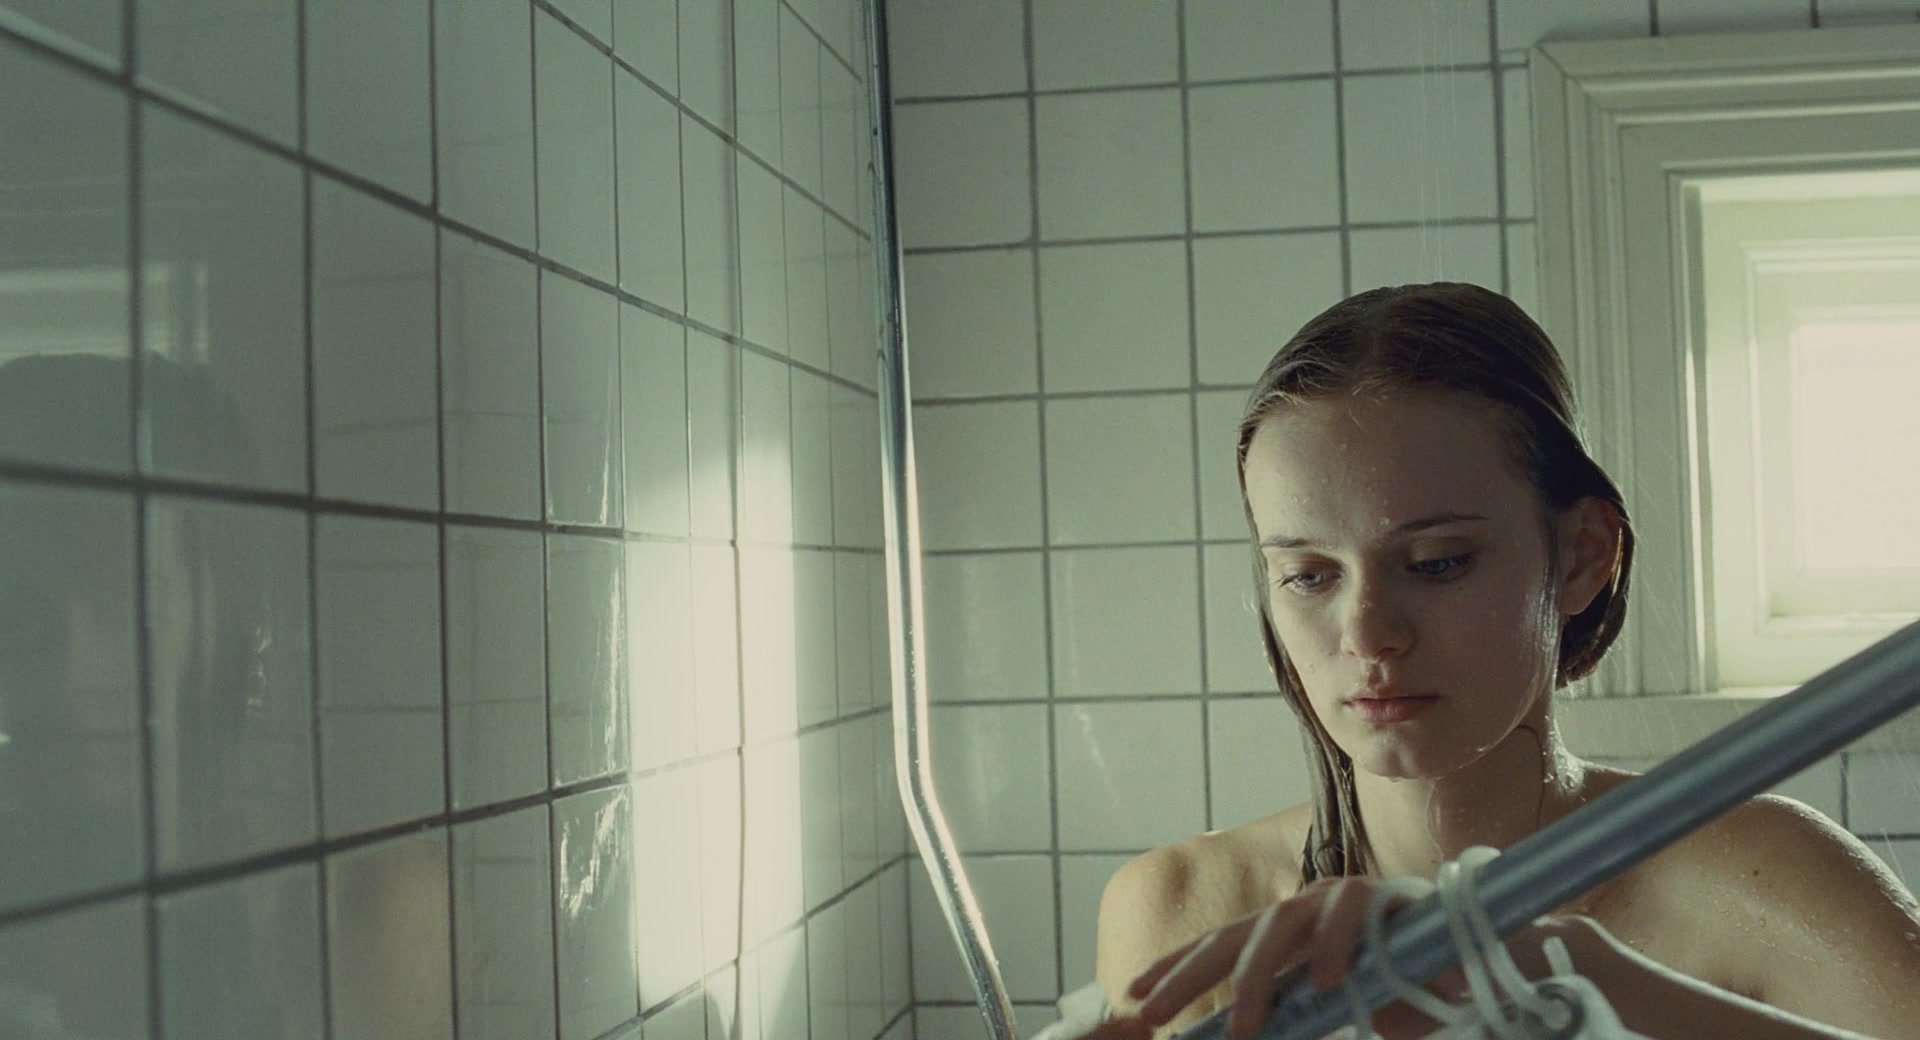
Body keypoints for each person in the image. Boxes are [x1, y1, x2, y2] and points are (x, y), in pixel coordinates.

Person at [1084, 283, 1920, 1040]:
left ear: (1583, 554)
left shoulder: (1767, 887)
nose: (1368, 634)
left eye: (1437, 562)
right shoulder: (1183, 911)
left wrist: (1594, 979)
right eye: (1308, 575)